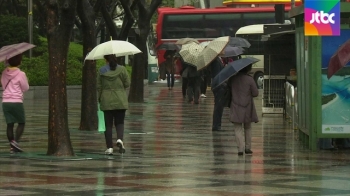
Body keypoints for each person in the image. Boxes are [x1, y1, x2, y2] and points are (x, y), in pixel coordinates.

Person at [97, 54, 130, 155]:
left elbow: (99, 87)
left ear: (105, 59)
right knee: (119, 122)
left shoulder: (101, 71)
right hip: (120, 99)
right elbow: (127, 83)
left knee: (108, 125)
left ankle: (109, 148)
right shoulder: (122, 69)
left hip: (106, 100)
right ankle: (119, 139)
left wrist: (100, 98)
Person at [1, 53, 29, 153]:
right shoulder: (21, 74)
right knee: (21, 122)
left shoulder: (4, 72)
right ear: (19, 61)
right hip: (16, 101)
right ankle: (15, 142)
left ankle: (12, 146)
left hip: (6, 102)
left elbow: (3, 86)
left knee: (10, 124)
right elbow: (25, 88)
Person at [229, 64, 259, 156]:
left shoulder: (232, 79)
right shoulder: (249, 79)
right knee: (248, 127)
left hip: (235, 106)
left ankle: (240, 149)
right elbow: (255, 93)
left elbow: (229, 91)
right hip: (247, 107)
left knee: (237, 128)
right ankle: (248, 148)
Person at [210, 57, 226, 131]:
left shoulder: (218, 60)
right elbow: (217, 75)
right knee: (218, 106)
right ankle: (216, 125)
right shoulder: (216, 61)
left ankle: (217, 124)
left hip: (219, 85)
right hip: (218, 86)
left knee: (219, 106)